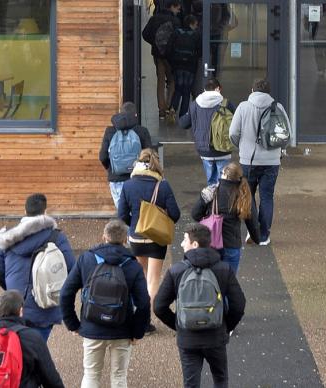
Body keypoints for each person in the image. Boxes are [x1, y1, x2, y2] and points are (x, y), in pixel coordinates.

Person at [60, 219, 150, 388]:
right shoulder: (133, 265)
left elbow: (66, 293)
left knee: (91, 375)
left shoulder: (86, 258)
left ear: (104, 237)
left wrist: (73, 325)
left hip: (92, 327)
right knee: (119, 376)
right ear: (125, 240)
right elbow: (144, 303)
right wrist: (137, 332)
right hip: (122, 330)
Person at [153, 223, 246, 388]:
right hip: (216, 336)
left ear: (194, 245)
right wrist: (225, 326)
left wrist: (178, 324)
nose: (181, 244)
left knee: (191, 384)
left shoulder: (176, 271)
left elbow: (159, 306)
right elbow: (239, 304)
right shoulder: (223, 269)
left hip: (188, 338)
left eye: (184, 240)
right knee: (220, 379)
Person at [0, 193, 76, 342]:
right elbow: (71, 268)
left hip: (15, 306)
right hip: (45, 304)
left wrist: (12, 289)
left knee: (16, 348)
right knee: (36, 349)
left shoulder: (8, 238)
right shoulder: (56, 237)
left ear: (25, 212)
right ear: (45, 212)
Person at [118, 148, 180, 333]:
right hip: (156, 239)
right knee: (152, 280)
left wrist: (136, 225)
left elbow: (122, 214)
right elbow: (175, 214)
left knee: (138, 277)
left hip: (135, 238)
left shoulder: (128, 185)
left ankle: (135, 316)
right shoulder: (163, 185)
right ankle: (145, 321)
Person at [229, 79, 289, 246]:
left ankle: (253, 231)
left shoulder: (243, 107)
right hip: (272, 161)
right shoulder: (278, 107)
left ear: (252, 89)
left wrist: (241, 147)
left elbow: (233, 132)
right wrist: (278, 150)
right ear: (268, 92)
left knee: (248, 196)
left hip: (249, 160)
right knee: (267, 197)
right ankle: (264, 235)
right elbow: (286, 134)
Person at [191, 162, 260, 273]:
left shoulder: (212, 191)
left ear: (224, 174)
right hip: (232, 245)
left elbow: (195, 214)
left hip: (211, 244)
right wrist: (257, 238)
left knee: (212, 280)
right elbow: (252, 221)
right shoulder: (244, 194)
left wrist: (206, 209)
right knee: (229, 282)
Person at [179, 78, 235, 186]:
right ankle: (221, 201)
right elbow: (237, 122)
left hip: (204, 150)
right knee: (224, 183)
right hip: (223, 149)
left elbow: (184, 124)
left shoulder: (195, 104)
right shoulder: (226, 104)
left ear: (205, 89)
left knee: (211, 183)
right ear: (218, 88)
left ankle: (212, 201)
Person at [99, 102, 153, 209]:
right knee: (137, 214)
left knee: (123, 215)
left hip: (116, 179)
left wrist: (111, 168)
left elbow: (102, 157)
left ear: (120, 114)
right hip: (137, 178)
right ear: (135, 115)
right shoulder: (142, 131)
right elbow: (149, 156)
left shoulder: (110, 131)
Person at [142, 0, 182, 119]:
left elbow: (145, 34)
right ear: (172, 7)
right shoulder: (176, 21)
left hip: (158, 55)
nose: (178, 11)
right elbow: (178, 39)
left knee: (160, 81)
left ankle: (161, 111)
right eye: (178, 8)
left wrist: (155, 44)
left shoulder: (154, 19)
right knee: (172, 81)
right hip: (170, 57)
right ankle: (169, 107)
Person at [168, 15, 201, 118]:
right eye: (195, 24)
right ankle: (183, 115)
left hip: (178, 65)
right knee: (186, 91)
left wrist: (172, 62)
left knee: (178, 88)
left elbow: (169, 48)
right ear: (191, 24)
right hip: (190, 66)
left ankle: (172, 109)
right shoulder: (196, 35)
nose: (196, 27)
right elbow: (199, 51)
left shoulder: (177, 32)